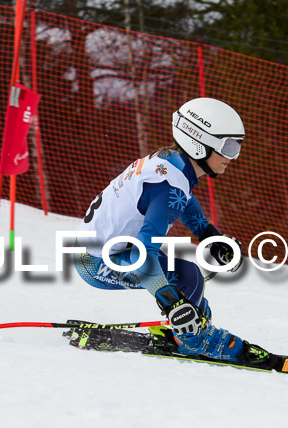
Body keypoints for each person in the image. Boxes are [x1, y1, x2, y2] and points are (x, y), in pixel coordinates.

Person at [73, 97, 268, 364]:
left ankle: (191, 329)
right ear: (199, 143)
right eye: (229, 147)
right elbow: (145, 256)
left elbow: (184, 199)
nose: (233, 157)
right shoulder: (167, 188)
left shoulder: (170, 162)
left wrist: (209, 235)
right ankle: (193, 341)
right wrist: (172, 303)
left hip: (104, 250)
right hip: (96, 263)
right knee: (188, 279)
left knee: (189, 283)